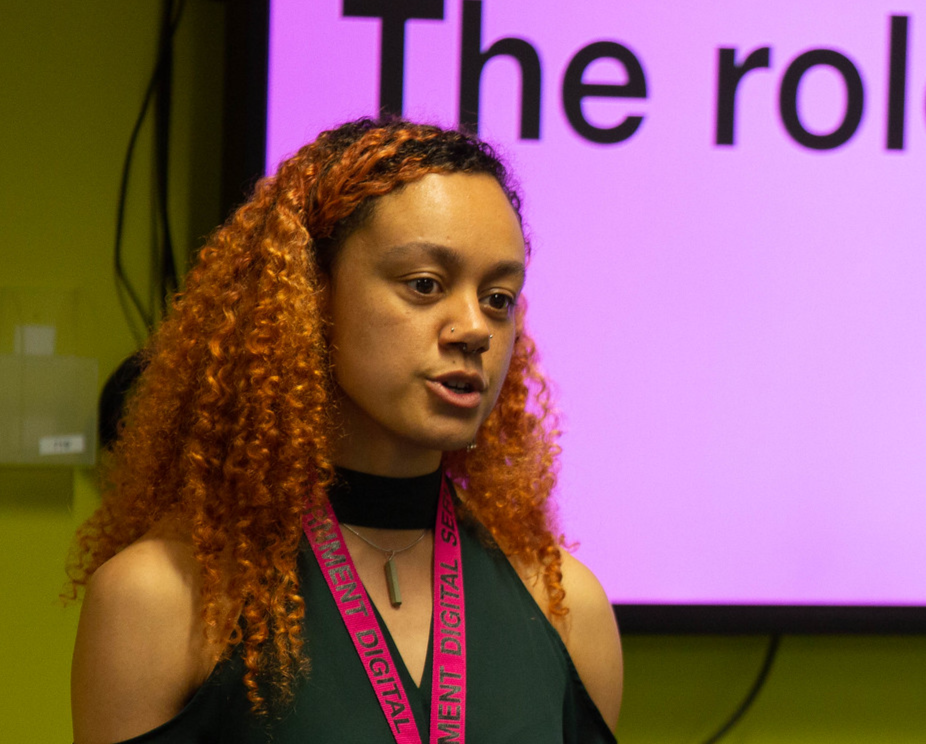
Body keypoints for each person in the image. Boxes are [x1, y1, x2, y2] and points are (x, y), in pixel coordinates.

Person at [68, 118, 622, 744]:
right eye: (425, 285)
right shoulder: (164, 599)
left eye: (498, 297)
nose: (473, 328)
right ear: (312, 296)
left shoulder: (568, 609)